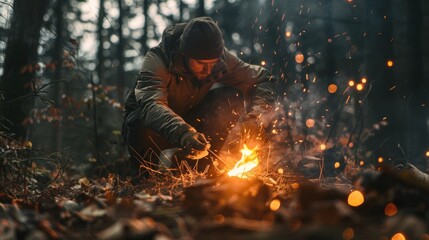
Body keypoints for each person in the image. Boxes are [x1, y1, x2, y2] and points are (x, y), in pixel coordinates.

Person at [122, 16, 276, 176]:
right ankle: (145, 174)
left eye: (213, 63)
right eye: (201, 64)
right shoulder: (158, 60)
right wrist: (183, 133)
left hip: (191, 127)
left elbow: (262, 78)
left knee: (228, 98)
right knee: (139, 120)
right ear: (185, 54)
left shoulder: (220, 58)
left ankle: (202, 169)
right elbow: (151, 106)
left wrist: (255, 120)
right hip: (155, 129)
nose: (208, 70)